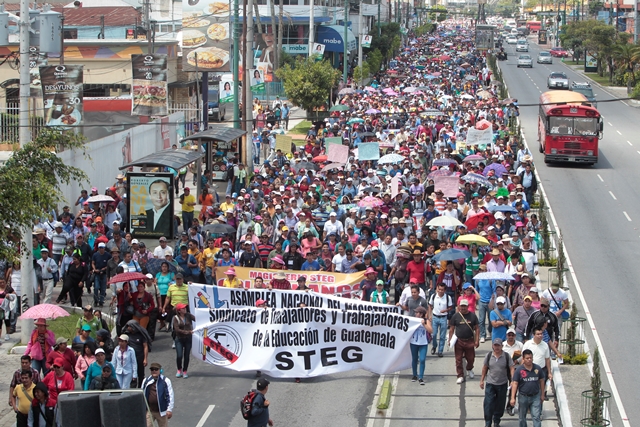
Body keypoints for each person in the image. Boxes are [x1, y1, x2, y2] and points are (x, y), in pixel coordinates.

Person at [480, 338, 515, 427]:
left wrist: (512, 380)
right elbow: (485, 368)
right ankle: (488, 422)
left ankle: (496, 421)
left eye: (498, 345)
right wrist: (482, 380)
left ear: (502, 346)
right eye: (495, 345)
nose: (497, 347)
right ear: (492, 346)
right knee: (488, 403)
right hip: (490, 384)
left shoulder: (506, 356)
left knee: (500, 403)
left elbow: (511, 368)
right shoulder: (488, 356)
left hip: (502, 384)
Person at [510, 349, 545, 427]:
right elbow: (515, 384)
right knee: (522, 418)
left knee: (536, 417)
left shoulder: (537, 368)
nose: (529, 360)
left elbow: (542, 381)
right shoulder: (519, 370)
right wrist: (512, 398)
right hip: (523, 397)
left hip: (535, 396)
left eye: (531, 358)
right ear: (523, 359)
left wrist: (542, 394)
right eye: (527, 358)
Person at [449, 299, 480, 384]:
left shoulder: (472, 316)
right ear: (459, 306)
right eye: (461, 306)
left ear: (467, 306)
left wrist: (477, 340)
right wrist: (450, 340)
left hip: (469, 340)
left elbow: (477, 328)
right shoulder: (455, 316)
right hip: (459, 341)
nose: (462, 308)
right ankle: (460, 375)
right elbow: (452, 329)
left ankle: (469, 368)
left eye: (464, 306)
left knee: (471, 358)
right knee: (458, 359)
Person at [142, 362, 174, 427]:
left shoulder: (165, 381)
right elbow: (141, 394)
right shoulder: (146, 380)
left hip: (162, 412)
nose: (154, 371)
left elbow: (170, 395)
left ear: (160, 370)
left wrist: (169, 409)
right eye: (152, 369)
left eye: (156, 369)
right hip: (149, 410)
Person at [122, 319, 152, 388]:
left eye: (129, 326)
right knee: (132, 373)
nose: (128, 328)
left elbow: (145, 347)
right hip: (130, 358)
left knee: (140, 374)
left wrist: (145, 359)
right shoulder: (127, 334)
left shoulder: (141, 335)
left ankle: (141, 388)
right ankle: (133, 388)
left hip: (139, 357)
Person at [429, 282, 454, 357]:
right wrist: (429, 315)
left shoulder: (447, 297)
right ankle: (434, 345)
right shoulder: (433, 296)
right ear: (437, 289)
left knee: (442, 336)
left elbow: (450, 307)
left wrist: (445, 310)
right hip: (435, 317)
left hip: (443, 317)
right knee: (434, 334)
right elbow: (430, 305)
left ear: (445, 290)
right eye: (439, 289)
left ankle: (440, 351)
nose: (440, 291)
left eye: (442, 290)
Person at [409, 306, 432, 385]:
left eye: (417, 312)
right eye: (415, 312)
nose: (416, 314)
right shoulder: (413, 320)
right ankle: (414, 375)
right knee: (414, 359)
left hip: (423, 343)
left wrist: (424, 324)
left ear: (421, 314)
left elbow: (430, 330)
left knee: (422, 359)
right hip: (414, 343)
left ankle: (421, 377)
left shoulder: (426, 321)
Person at [172, 302, 195, 378]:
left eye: (185, 308)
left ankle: (185, 370)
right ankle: (179, 369)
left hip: (188, 339)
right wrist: (188, 332)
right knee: (179, 355)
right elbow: (177, 330)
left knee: (186, 355)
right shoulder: (176, 318)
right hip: (179, 339)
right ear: (179, 310)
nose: (185, 309)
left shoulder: (188, 315)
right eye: (183, 308)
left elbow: (197, 319)